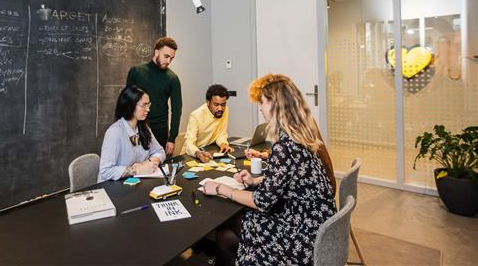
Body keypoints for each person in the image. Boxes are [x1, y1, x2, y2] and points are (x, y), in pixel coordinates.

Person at [202, 74, 337, 266]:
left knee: (236, 221)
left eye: (262, 102)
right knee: (225, 235)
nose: (260, 108)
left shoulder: (285, 146)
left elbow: (261, 202)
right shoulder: (299, 135)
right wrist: (255, 180)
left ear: (275, 104)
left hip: (301, 237)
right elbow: (291, 178)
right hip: (315, 226)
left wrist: (220, 189)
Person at [126, 36, 182, 156]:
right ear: (156, 52)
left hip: (160, 130)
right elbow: (127, 102)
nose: (168, 61)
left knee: (159, 166)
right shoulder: (136, 72)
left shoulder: (173, 79)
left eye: (171, 58)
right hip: (138, 127)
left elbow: (177, 110)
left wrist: (172, 138)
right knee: (138, 165)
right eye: (166, 56)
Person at [98, 85, 165, 182]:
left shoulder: (143, 127)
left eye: (148, 105)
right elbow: (105, 170)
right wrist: (135, 170)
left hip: (135, 185)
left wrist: (152, 162)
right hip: (113, 188)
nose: (148, 110)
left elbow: (160, 151)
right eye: (144, 105)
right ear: (130, 105)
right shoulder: (114, 132)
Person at [184, 84, 233, 162]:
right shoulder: (196, 115)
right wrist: (198, 153)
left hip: (211, 151)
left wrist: (223, 144)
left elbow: (221, 133)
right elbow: (189, 144)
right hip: (194, 155)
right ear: (208, 102)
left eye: (223, 104)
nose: (220, 108)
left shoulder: (225, 110)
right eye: (216, 104)